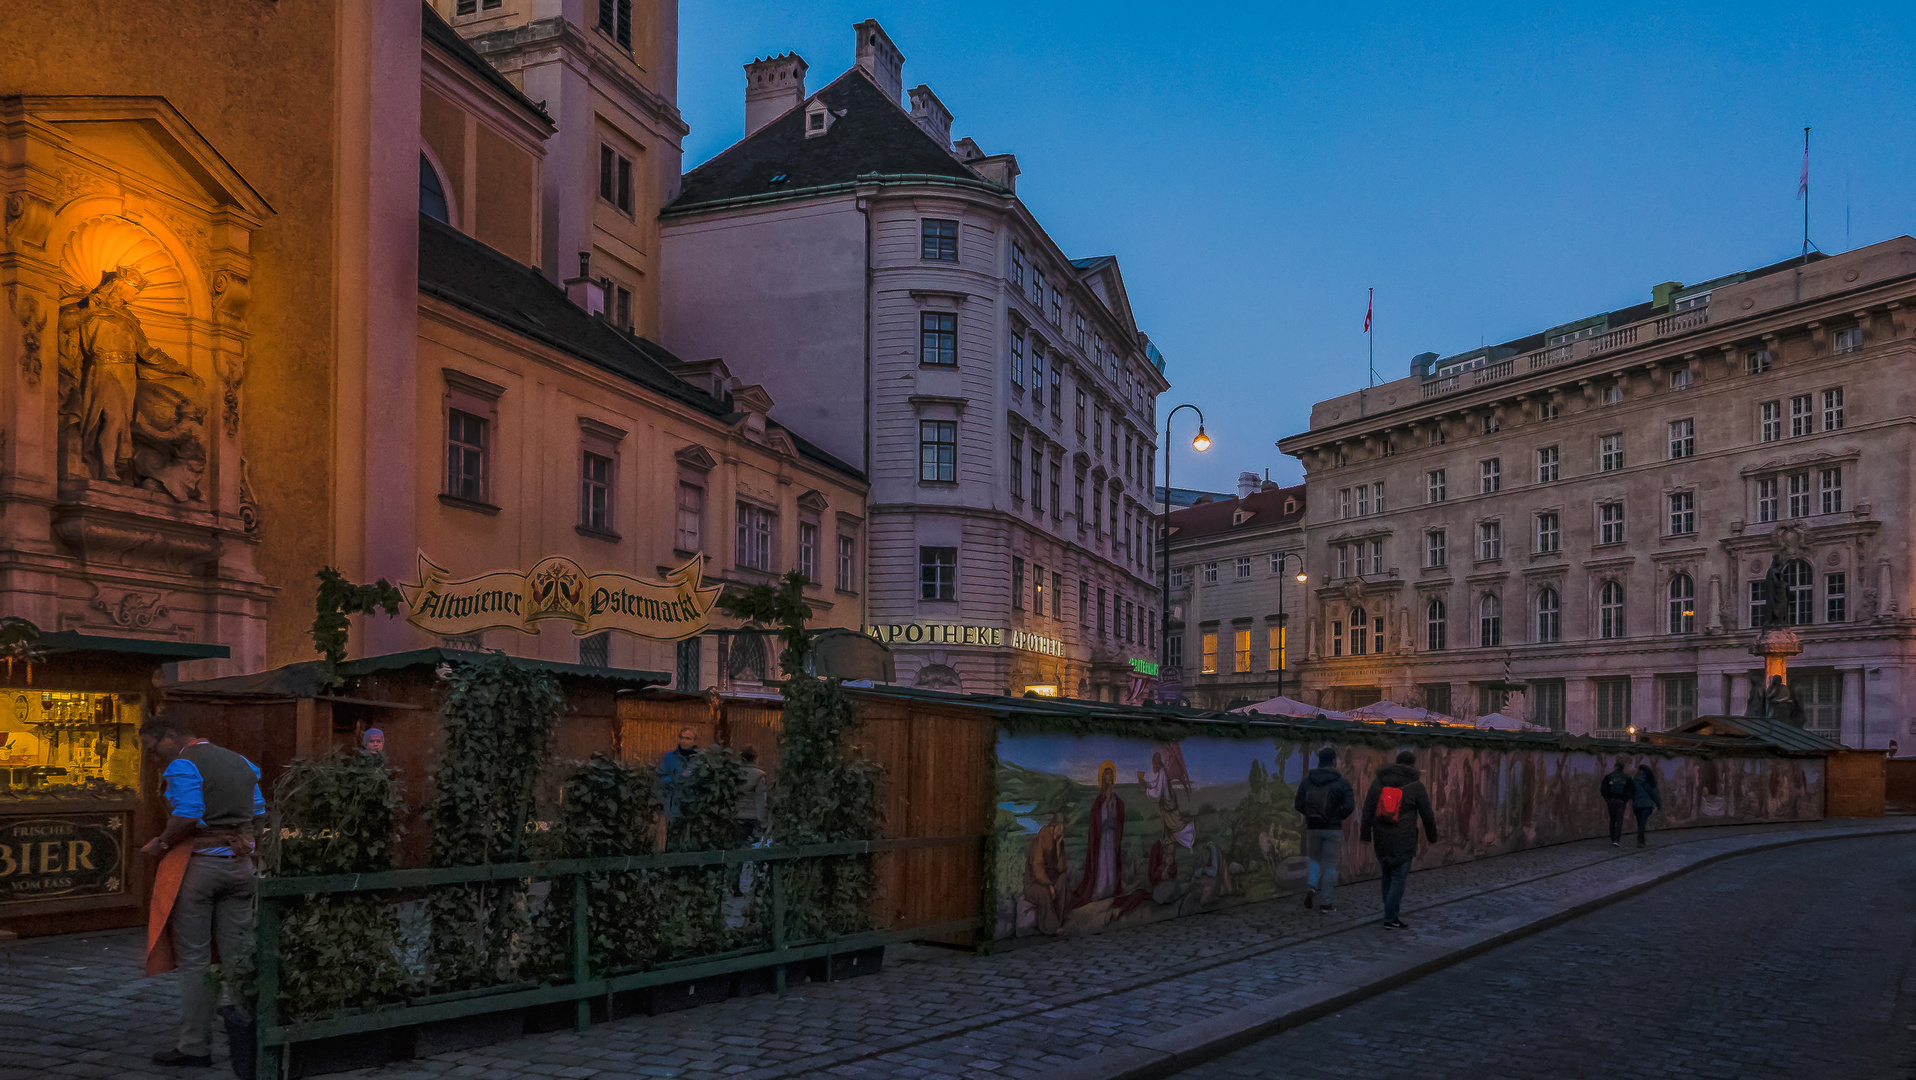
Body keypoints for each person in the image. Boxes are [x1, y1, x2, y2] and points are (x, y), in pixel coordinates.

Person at [138, 715, 264, 1068]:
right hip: (241, 867)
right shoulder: (241, 762)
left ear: (170, 737)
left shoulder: (184, 763)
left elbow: (189, 814)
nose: (155, 757)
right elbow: (259, 811)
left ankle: (195, 1046)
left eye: (153, 748)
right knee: (238, 959)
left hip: (200, 868)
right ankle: (248, 1036)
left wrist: (162, 842)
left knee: (195, 962)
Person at [1360, 749, 1438, 930]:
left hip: (1381, 837)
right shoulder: (1416, 786)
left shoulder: (1378, 782)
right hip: (1404, 839)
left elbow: (1367, 809)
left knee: (1386, 874)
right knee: (1398, 879)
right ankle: (1391, 917)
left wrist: (1365, 834)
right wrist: (1432, 836)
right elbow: (1427, 814)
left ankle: (1389, 913)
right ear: (1411, 765)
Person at [1293, 747, 1355, 914]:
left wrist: (1312, 815)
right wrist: (1335, 817)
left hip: (1313, 827)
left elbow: (1298, 804)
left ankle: (1312, 887)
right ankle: (1326, 903)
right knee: (1330, 866)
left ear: (1319, 761)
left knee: (1314, 859)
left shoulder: (1307, 782)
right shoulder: (1342, 782)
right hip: (1333, 829)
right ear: (1334, 761)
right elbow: (1349, 806)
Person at [659, 726, 700, 822]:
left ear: (694, 741)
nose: (684, 741)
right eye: (682, 738)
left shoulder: (700, 759)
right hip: (674, 807)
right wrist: (677, 778)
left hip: (693, 806)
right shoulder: (670, 757)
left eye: (688, 738)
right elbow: (661, 777)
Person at [735, 746, 767, 845]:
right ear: (756, 758)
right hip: (753, 816)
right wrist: (763, 818)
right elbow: (760, 799)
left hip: (736, 814)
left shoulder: (735, 773)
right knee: (752, 846)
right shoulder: (759, 775)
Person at [1600, 756, 1634, 847]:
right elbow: (1631, 790)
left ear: (1615, 767)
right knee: (1619, 820)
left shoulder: (1609, 776)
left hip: (1611, 801)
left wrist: (1607, 799)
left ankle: (1612, 837)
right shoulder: (1627, 777)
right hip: (1621, 801)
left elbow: (1603, 789)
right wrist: (1625, 799)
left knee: (1612, 819)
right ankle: (1617, 839)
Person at [1631, 763, 1662, 847]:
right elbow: (1654, 793)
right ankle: (1640, 841)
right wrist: (1658, 804)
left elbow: (1631, 792)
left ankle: (1641, 840)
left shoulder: (1634, 779)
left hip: (1636, 805)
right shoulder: (1650, 779)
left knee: (1639, 822)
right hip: (1647, 805)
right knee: (1643, 822)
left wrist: (1634, 801)